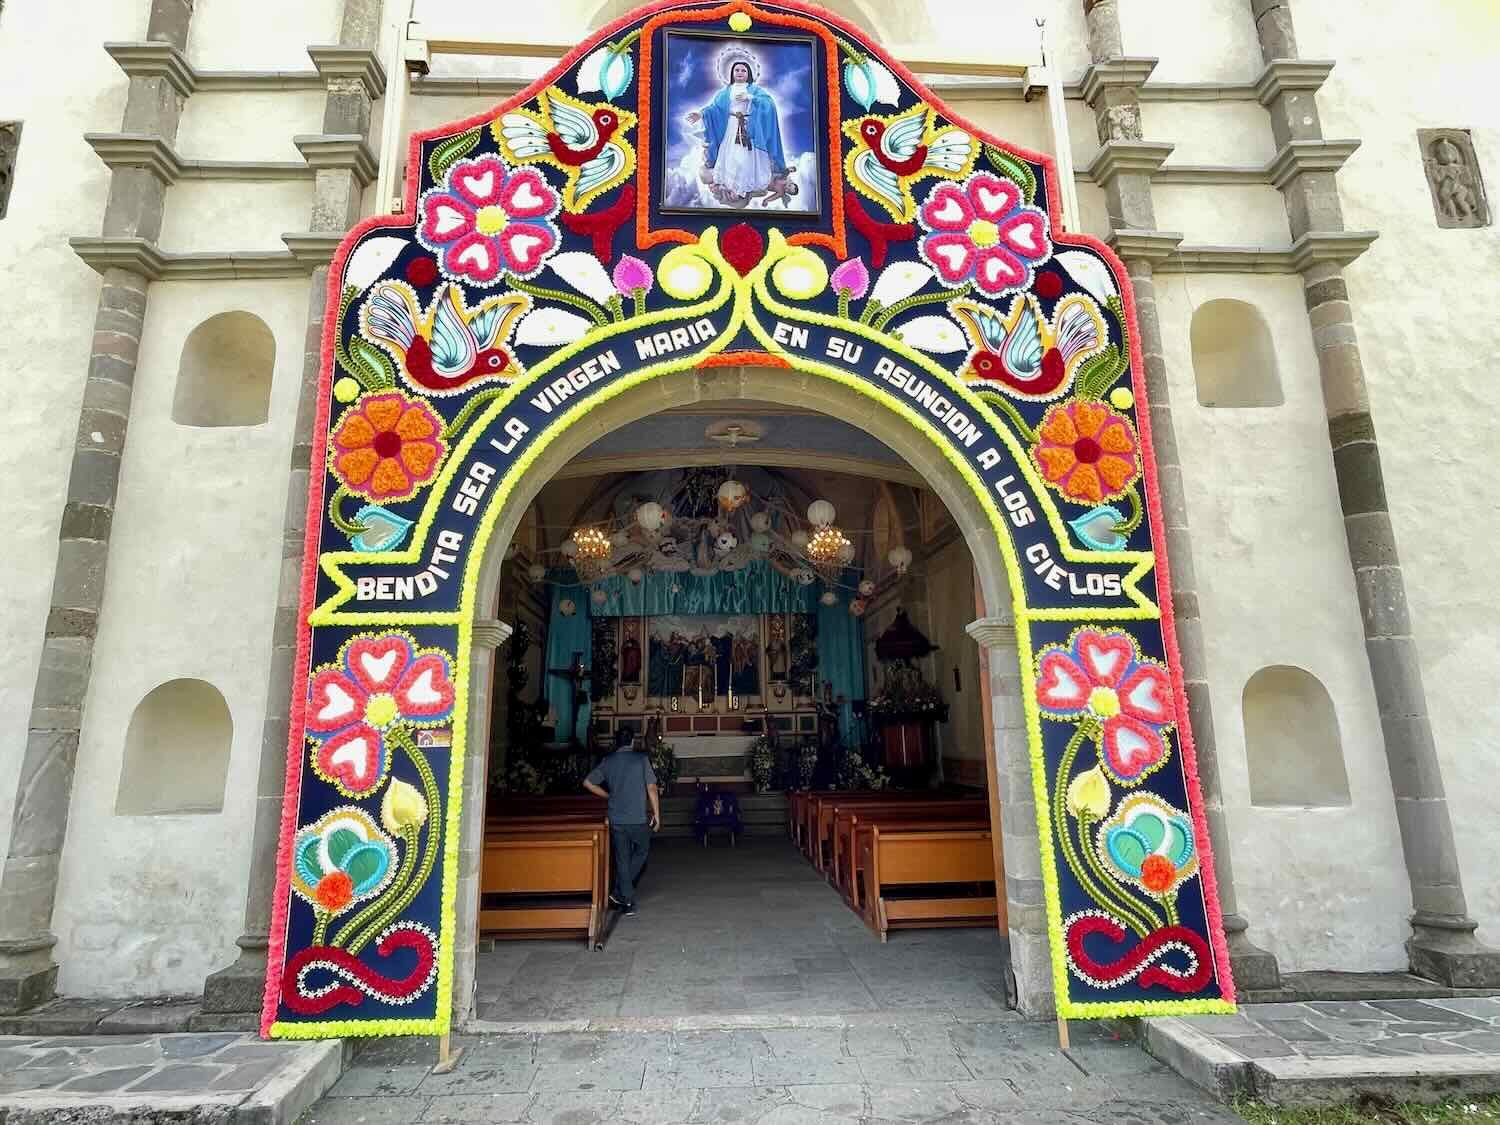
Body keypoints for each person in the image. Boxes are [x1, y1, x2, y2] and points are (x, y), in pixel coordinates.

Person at [685, 46, 791, 206]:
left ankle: (745, 188)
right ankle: (733, 188)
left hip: (751, 130)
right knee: (733, 158)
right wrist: (701, 114)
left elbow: (769, 104)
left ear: (748, 73)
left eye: (743, 70)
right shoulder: (725, 92)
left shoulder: (755, 90)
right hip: (732, 127)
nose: (740, 73)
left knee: (747, 159)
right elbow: (715, 108)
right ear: (732, 74)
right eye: (737, 70)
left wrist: (751, 98)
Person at [583, 725, 661, 915]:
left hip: (616, 818)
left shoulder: (608, 761)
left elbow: (587, 782)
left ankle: (621, 894)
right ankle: (624, 896)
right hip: (638, 818)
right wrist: (657, 814)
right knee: (642, 851)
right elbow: (651, 788)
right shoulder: (641, 760)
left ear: (616, 742)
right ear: (632, 741)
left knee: (622, 858)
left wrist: (607, 795)